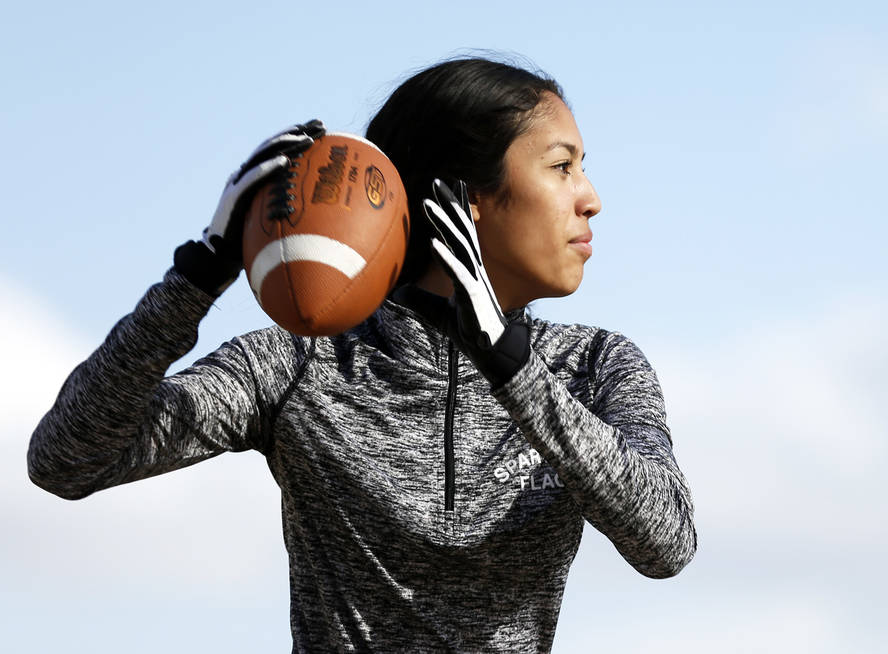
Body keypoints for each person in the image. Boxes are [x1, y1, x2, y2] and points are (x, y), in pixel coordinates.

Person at [28, 57, 697, 653]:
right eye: (561, 166)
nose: (591, 198)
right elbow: (66, 460)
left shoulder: (593, 366)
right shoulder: (301, 363)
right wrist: (196, 277)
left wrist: (511, 365)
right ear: (463, 198)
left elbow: (665, 540)